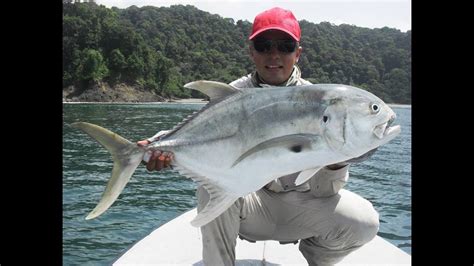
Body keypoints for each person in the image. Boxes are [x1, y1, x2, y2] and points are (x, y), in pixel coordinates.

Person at [138, 7, 379, 266]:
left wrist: (337, 162)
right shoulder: (233, 96)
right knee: (212, 188)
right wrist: (155, 146)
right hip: (250, 208)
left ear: (297, 53)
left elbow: (325, 191)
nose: (274, 54)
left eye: (285, 45)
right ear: (251, 51)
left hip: (301, 209)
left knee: (364, 222)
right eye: (264, 45)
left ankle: (317, 258)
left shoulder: (321, 103)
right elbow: (199, 132)